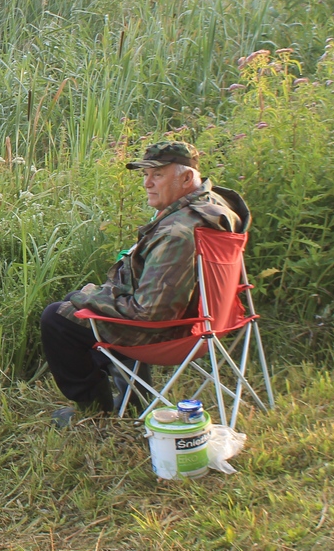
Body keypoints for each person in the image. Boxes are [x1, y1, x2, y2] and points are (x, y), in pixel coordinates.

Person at [40, 141, 250, 424]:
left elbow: (151, 313)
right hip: (212, 322)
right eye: (145, 174)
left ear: (187, 178)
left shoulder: (177, 233)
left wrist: (88, 297)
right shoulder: (216, 207)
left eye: (158, 175)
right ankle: (132, 397)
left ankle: (94, 411)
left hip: (172, 334)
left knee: (58, 317)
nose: (147, 183)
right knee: (83, 305)